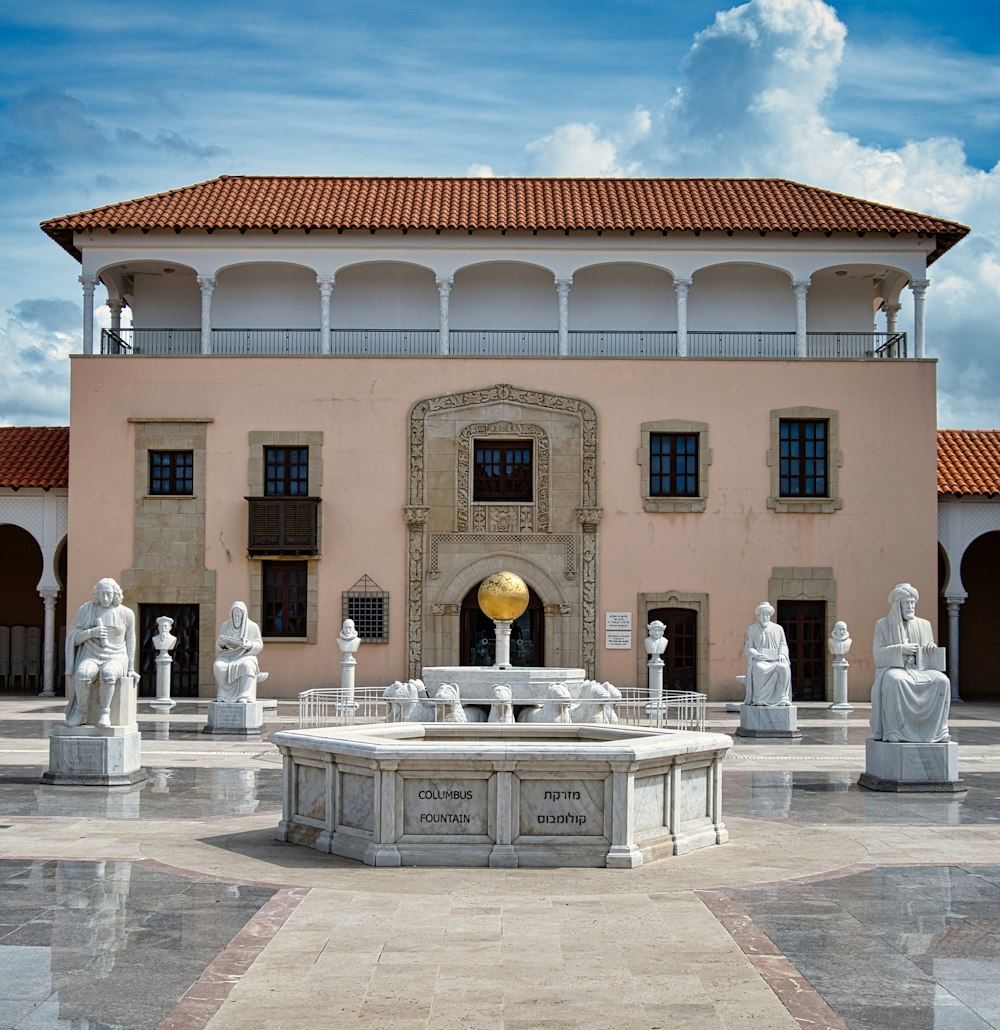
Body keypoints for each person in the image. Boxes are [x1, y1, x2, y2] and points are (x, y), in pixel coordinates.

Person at [870, 583, 950, 743]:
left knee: (942, 681)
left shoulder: (924, 625)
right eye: (907, 602)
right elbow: (878, 655)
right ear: (897, 605)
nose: (911, 606)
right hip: (896, 668)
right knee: (895, 680)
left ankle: (938, 731)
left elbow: (929, 651)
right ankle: (894, 730)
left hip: (920, 669)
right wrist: (901, 649)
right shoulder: (883, 625)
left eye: (913, 602)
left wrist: (930, 647)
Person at [65, 578, 137, 729]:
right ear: (96, 594)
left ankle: (104, 712)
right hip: (91, 654)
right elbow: (74, 637)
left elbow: (130, 640)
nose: (105, 598)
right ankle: (81, 711)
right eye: (102, 594)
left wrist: (130, 668)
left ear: (115, 594)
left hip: (116, 656)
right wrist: (91, 633)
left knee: (109, 674)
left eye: (109, 594)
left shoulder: (126, 613)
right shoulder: (86, 610)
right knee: (83, 675)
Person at [213, 601, 263, 703]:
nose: (236, 617)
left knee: (247, 665)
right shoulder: (225, 626)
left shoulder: (252, 626)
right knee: (218, 666)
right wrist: (221, 644)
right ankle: (223, 694)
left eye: (238, 614)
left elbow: (259, 644)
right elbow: (218, 646)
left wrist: (249, 645)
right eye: (234, 614)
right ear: (231, 614)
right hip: (227, 656)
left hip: (246, 655)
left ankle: (244, 695)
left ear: (243, 614)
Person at [744, 602, 791, 705]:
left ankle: (781, 698)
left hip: (776, 659)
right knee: (760, 668)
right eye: (764, 614)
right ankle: (760, 698)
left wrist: (782, 654)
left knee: (784, 667)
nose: (766, 617)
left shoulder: (778, 629)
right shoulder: (752, 629)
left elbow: (783, 644)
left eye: (768, 615)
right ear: (759, 615)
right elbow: (748, 647)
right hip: (761, 660)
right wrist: (756, 654)